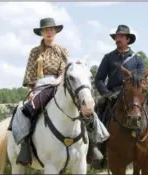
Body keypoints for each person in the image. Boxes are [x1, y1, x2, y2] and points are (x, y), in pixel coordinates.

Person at [13, 17, 103, 166]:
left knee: (85, 107)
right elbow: (30, 73)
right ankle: (25, 147)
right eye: (46, 30)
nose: (49, 32)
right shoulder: (35, 52)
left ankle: (92, 145)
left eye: (51, 29)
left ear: (55, 32)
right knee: (26, 110)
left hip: (61, 84)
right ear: (42, 32)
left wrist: (63, 77)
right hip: (41, 85)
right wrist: (33, 90)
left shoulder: (63, 50)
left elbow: (68, 70)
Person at [94, 24, 148, 163]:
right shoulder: (108, 58)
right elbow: (99, 79)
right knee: (97, 113)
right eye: (116, 36)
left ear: (127, 39)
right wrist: (106, 94)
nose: (118, 39)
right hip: (113, 94)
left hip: (134, 94)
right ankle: (98, 151)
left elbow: (142, 79)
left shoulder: (137, 58)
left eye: (121, 36)